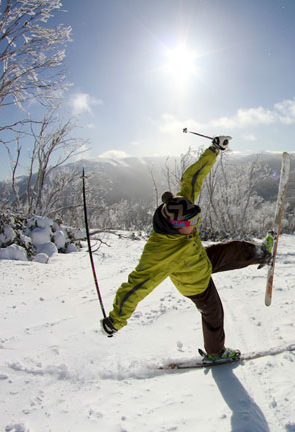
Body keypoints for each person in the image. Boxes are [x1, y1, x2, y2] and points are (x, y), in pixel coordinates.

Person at [100, 136, 273, 361]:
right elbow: (136, 286)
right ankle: (215, 353)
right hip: (194, 282)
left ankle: (262, 253)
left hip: (199, 258)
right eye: (190, 224)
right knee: (213, 314)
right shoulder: (159, 252)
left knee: (234, 248)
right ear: (175, 226)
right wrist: (115, 320)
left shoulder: (182, 206)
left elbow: (192, 177)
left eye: (196, 220)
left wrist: (213, 150)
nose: (195, 226)